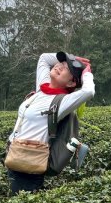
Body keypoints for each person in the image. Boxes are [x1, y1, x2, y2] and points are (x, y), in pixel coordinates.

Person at [6, 51, 94, 194]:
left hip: (29, 163)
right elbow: (44, 58)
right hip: (15, 154)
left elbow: (88, 91)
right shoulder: (42, 87)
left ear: (71, 82)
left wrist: (86, 73)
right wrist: (73, 58)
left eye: (66, 68)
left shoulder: (63, 102)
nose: (59, 66)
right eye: (61, 63)